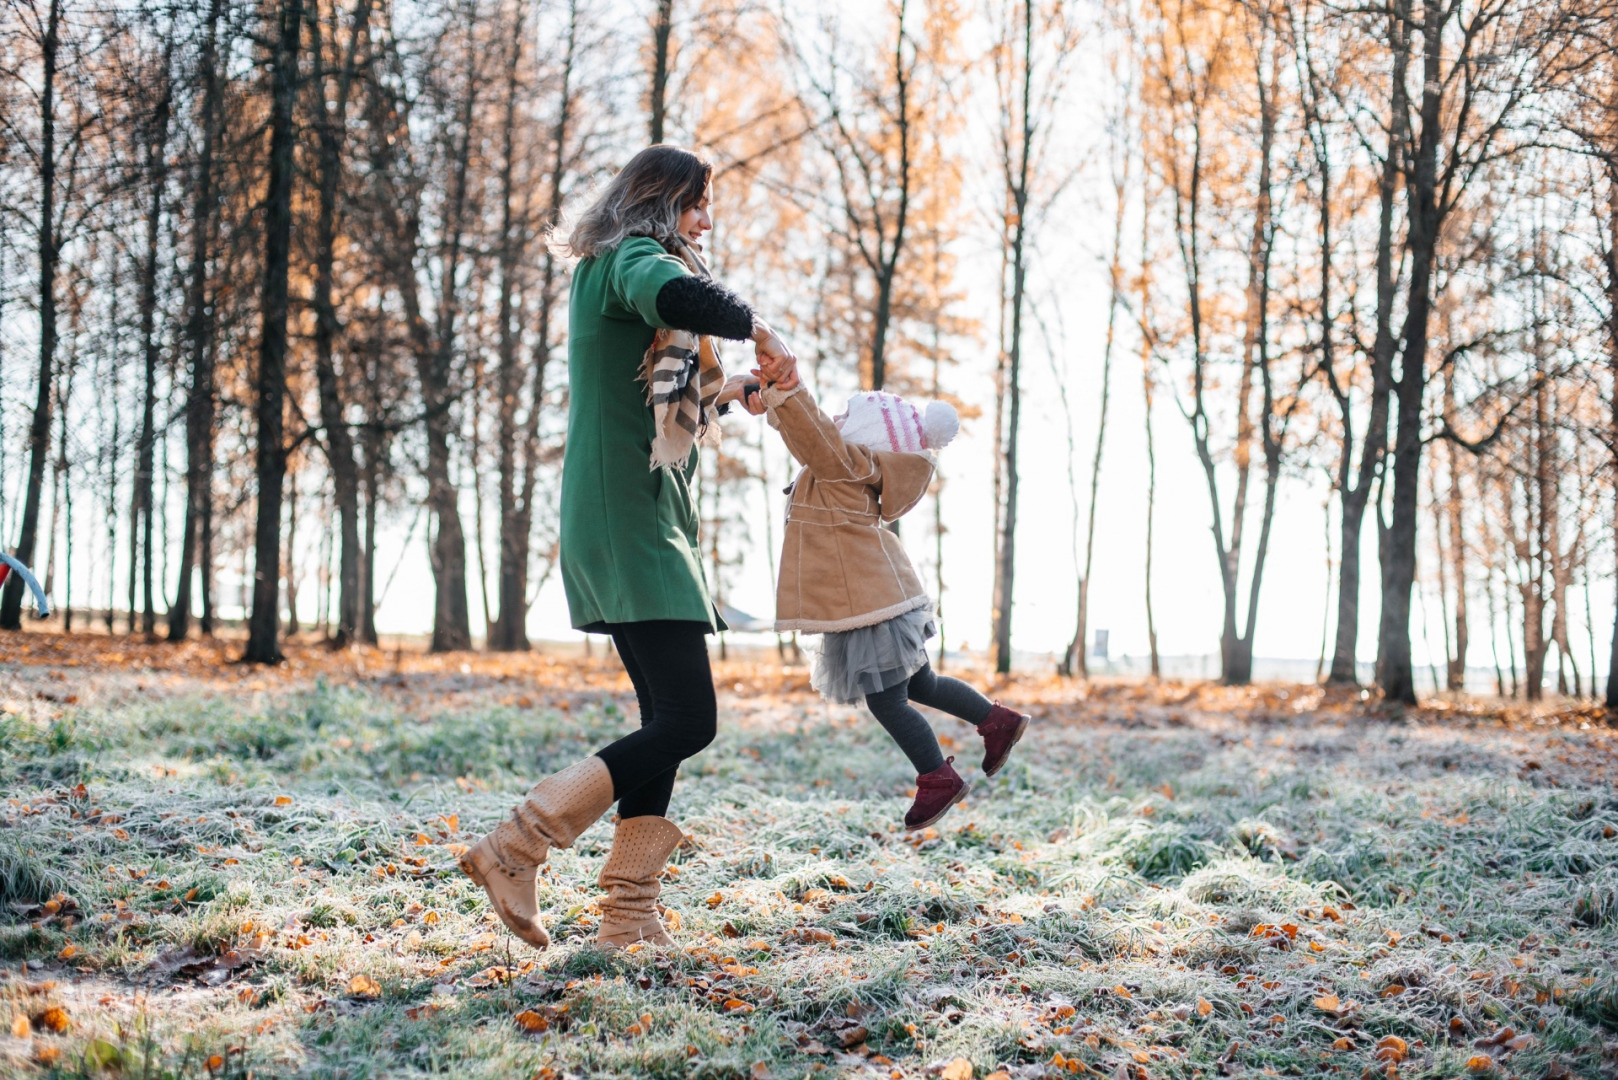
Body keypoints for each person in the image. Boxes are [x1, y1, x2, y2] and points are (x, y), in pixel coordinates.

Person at [459, 145, 798, 950]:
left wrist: (738, 390)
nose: (705, 220)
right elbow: (679, 290)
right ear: (660, 201)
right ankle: (518, 845)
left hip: (642, 514)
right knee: (689, 718)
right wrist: (756, 323)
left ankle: (629, 917)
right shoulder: (630, 259)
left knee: (666, 717)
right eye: (696, 204)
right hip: (630, 520)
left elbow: (667, 388)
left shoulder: (621, 275)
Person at [753, 362, 1032, 831]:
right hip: (882, 592)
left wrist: (785, 388)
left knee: (887, 701)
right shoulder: (851, 462)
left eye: (846, 415)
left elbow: (814, 433)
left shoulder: (845, 461)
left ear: (866, 433)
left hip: (868, 601)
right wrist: (770, 400)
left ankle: (936, 777)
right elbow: (806, 434)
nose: (836, 419)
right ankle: (997, 721)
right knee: (921, 686)